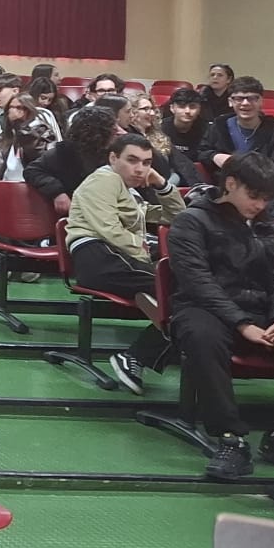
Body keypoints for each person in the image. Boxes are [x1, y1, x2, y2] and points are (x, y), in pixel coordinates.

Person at [164, 152, 274, 482]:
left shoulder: (271, 228)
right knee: (202, 335)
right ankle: (231, 438)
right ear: (230, 184)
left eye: (266, 199)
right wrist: (242, 324)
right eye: (254, 195)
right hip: (206, 309)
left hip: (262, 313)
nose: (260, 205)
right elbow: (198, 282)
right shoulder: (191, 221)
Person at [65, 134, 186, 394]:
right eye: (132, 160)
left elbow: (178, 218)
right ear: (113, 158)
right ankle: (137, 356)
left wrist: (162, 185)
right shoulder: (104, 180)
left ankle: (137, 357)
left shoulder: (128, 192)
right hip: (98, 255)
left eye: (146, 162)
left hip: (117, 258)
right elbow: (109, 230)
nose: (140, 169)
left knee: (186, 296)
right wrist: (147, 257)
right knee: (182, 292)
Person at [203, 76, 274, 178]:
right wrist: (215, 156)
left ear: (261, 101)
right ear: (230, 101)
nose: (245, 103)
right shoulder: (219, 125)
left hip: (267, 184)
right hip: (228, 184)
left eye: (252, 98)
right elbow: (202, 151)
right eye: (239, 99)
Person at [25, 106, 118, 205]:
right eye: (112, 127)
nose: (117, 130)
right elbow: (32, 171)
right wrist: (57, 193)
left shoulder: (115, 151)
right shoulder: (63, 152)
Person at [118, 93, 181, 186]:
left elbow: (176, 165)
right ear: (133, 111)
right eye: (145, 109)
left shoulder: (158, 136)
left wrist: (167, 184)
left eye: (152, 109)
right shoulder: (126, 137)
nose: (152, 113)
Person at [158, 86, 208, 175]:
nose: (187, 111)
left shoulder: (207, 130)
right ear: (172, 108)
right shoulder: (160, 128)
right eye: (181, 106)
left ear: (199, 109)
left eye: (192, 107)